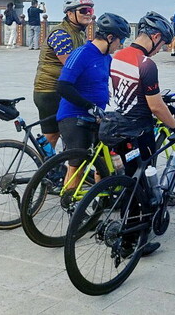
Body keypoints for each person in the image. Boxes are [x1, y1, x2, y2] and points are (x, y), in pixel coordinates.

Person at [108, 11, 175, 256]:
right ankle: (134, 241)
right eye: (162, 43)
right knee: (140, 184)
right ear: (154, 37)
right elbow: (154, 106)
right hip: (138, 131)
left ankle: (128, 229)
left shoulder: (118, 55)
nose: (161, 48)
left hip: (114, 127)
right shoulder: (146, 65)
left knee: (130, 180)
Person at [56, 13, 130, 188]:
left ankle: (102, 200)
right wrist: (88, 106)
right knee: (77, 164)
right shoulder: (82, 53)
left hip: (96, 117)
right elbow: (63, 86)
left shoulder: (106, 58)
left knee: (104, 160)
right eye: (121, 40)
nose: (121, 45)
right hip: (74, 116)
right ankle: (70, 202)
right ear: (110, 37)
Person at [32, 0, 94, 149]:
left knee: (71, 132)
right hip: (49, 90)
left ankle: (63, 165)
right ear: (70, 13)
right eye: (84, 10)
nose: (88, 13)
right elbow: (71, 66)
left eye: (90, 10)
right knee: (52, 135)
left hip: (64, 89)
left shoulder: (79, 31)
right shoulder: (61, 35)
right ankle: (43, 168)